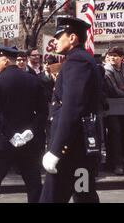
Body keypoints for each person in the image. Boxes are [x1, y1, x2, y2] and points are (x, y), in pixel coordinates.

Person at [40, 17, 101, 203]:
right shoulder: (82, 60)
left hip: (71, 149)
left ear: (73, 38)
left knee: (52, 198)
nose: (55, 41)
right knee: (84, 196)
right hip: (79, 147)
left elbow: (72, 108)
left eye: (59, 36)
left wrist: (57, 150)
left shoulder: (76, 62)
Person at [0, 45, 47, 203]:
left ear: (4, 61)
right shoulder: (34, 80)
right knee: (33, 184)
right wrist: (29, 133)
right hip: (29, 142)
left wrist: (11, 135)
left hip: (2, 142)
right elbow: (43, 112)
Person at [104, 47, 124, 175]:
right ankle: (117, 164)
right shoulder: (107, 70)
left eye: (115, 55)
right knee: (115, 134)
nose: (113, 58)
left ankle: (120, 161)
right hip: (111, 107)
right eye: (111, 55)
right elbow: (113, 90)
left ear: (121, 57)